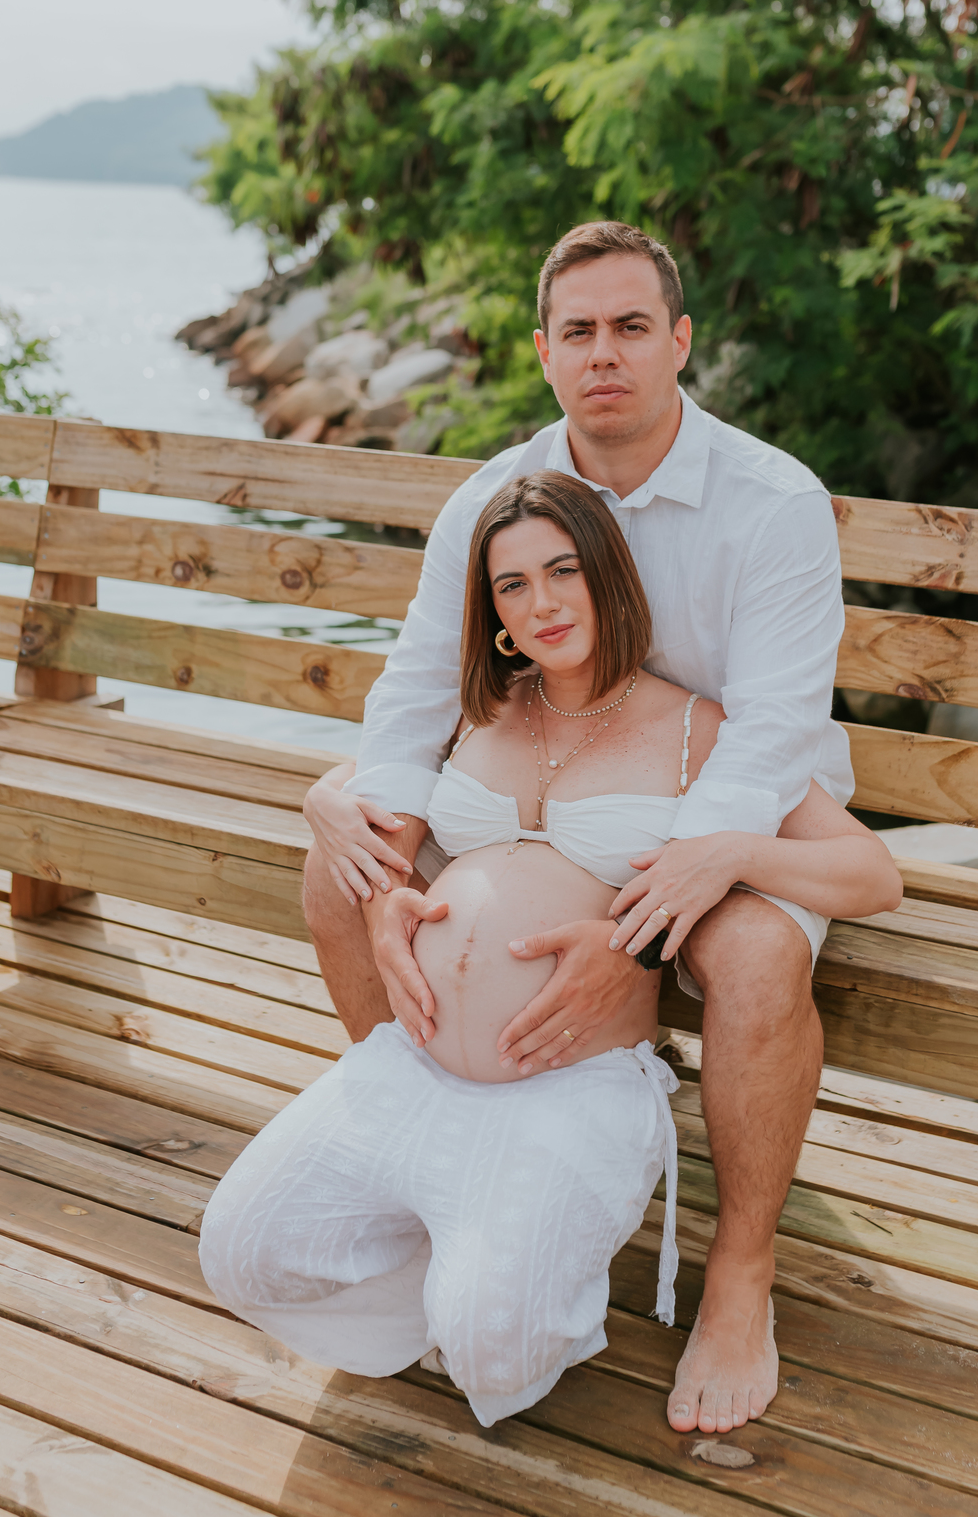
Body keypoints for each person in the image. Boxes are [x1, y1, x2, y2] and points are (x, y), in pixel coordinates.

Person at [301, 220, 865, 1435]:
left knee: (760, 955)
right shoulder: (489, 500)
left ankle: (738, 1273)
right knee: (339, 873)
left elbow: (770, 737)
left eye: (629, 326)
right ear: (545, 352)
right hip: (532, 779)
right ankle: (425, 1163)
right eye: (577, 332)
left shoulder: (771, 503)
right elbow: (411, 694)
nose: (602, 353)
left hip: (722, 808)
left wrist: (651, 907)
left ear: (679, 341)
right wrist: (377, 828)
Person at [199, 473, 901, 1430]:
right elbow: (376, 768)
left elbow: (874, 874)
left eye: (562, 570)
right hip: (414, 1065)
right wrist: (325, 794)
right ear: (491, 611)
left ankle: (506, 1269)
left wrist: (733, 852)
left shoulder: (701, 732)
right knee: (236, 1253)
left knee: (490, 1343)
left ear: (607, 577)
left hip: (569, 1083)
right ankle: (438, 1239)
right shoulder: (482, 705)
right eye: (512, 585)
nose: (541, 603)